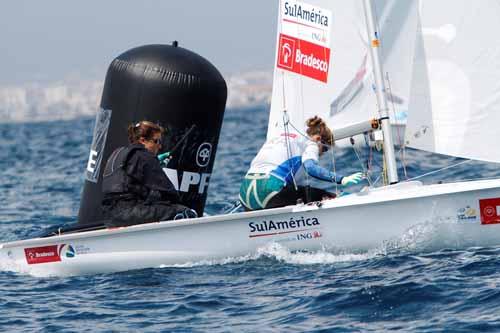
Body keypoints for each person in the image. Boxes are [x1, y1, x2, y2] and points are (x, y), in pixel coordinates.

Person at [239, 116, 364, 210]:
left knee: (298, 193)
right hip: (269, 189)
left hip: (244, 194)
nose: (322, 154)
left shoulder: (278, 136)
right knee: (327, 196)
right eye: (324, 149)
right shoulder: (310, 143)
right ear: (318, 139)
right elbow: (311, 169)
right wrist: (342, 179)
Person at [101, 120, 196, 227]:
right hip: (129, 213)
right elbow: (169, 193)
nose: (159, 146)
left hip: (109, 216)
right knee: (183, 212)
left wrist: (154, 164)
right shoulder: (145, 157)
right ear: (142, 140)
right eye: (156, 141)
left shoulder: (118, 153)